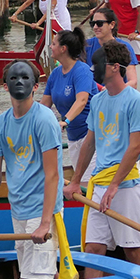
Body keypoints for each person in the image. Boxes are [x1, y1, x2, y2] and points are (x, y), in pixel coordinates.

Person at [63, 41, 140, 277]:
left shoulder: (135, 100)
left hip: (125, 185)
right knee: (93, 248)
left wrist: (114, 186)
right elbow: (89, 143)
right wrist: (75, 181)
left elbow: (134, 149)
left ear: (114, 67)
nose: (93, 71)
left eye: (97, 65)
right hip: (100, 183)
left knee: (131, 248)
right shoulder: (98, 100)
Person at [0, 60, 63, 279]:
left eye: (25, 78)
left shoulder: (44, 119)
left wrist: (45, 222)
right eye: (14, 78)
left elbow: (52, 174)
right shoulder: (1, 123)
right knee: (41, 275)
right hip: (18, 210)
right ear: (5, 86)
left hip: (42, 210)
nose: (20, 82)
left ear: (35, 86)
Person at [41, 28, 98, 183]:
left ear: (63, 49)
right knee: (79, 183)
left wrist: (65, 121)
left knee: (87, 183)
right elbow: (44, 105)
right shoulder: (55, 74)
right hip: (73, 137)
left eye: (53, 44)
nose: (50, 47)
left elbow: (82, 100)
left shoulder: (82, 70)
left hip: (91, 137)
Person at [84, 8, 138, 89]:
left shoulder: (125, 47)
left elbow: (133, 82)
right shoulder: (86, 45)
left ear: (112, 25)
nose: (95, 27)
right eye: (93, 23)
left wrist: (112, 90)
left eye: (99, 23)